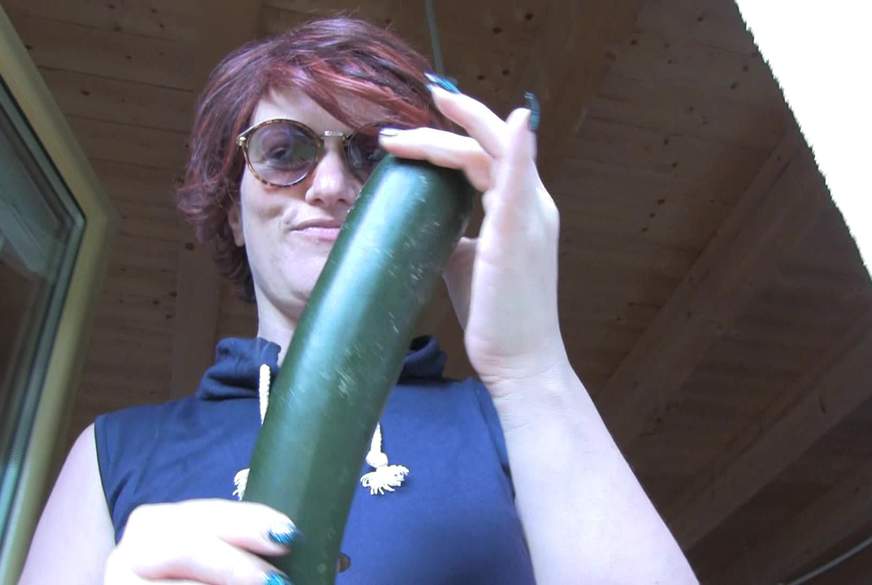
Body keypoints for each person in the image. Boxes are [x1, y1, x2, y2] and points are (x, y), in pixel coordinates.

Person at [18, 17, 698, 585]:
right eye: (284, 150)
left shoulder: (512, 418)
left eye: (373, 155)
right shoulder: (116, 451)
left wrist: (533, 366)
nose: (331, 185)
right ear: (232, 213)